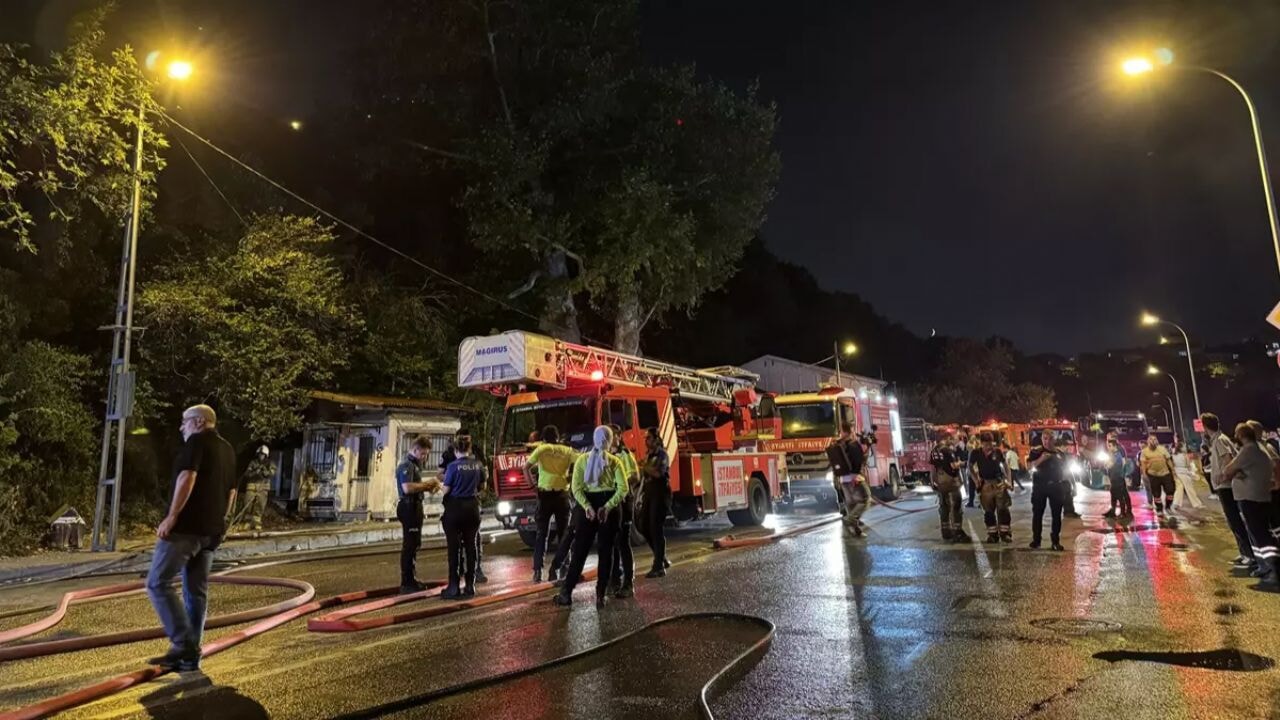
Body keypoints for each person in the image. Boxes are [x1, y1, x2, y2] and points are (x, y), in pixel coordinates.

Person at [146, 404, 236, 672]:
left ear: (198, 422)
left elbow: (187, 476)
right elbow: (232, 491)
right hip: (212, 533)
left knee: (157, 583)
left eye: (184, 422)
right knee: (195, 592)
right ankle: (191, 656)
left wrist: (172, 516)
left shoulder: (196, 443)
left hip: (186, 529)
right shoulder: (228, 450)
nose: (181, 427)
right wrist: (221, 521)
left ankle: (182, 642)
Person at [554, 426, 628, 608]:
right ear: (609, 440)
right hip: (608, 509)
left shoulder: (582, 461)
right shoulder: (615, 462)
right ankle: (601, 595)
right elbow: (623, 489)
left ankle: (566, 593)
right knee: (606, 552)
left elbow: (576, 488)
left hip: (587, 507)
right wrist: (608, 507)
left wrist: (587, 507)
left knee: (579, 552)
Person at [1220, 422, 1278, 589]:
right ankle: (1265, 567)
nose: (1235, 438)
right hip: (1257, 497)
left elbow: (1227, 470)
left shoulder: (1249, 450)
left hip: (1251, 499)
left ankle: (1274, 570)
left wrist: (1235, 473)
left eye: (1237, 435)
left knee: (1262, 537)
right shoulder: (1259, 450)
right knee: (1257, 535)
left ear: (1242, 436)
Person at [523, 425, 577, 583]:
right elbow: (582, 463)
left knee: (541, 534)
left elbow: (525, 467)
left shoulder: (542, 449)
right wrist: (571, 478)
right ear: (558, 437)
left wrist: (532, 486)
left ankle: (538, 571)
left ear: (544, 438)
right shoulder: (567, 450)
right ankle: (564, 566)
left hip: (544, 495)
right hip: (562, 496)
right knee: (564, 534)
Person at [1203, 413, 1255, 572]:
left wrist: (1223, 475)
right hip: (1225, 486)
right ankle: (1244, 552)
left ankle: (1249, 555)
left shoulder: (1219, 441)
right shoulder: (1220, 439)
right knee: (1235, 520)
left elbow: (1228, 459)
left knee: (1235, 521)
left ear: (1205, 427)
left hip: (1226, 487)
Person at [439, 435, 485, 599]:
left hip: (455, 509)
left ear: (456, 450)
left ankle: (453, 587)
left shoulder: (452, 467)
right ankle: (470, 585)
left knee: (454, 548)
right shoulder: (478, 465)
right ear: (470, 449)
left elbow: (445, 490)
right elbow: (482, 486)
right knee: (471, 547)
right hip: (472, 508)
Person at [396, 437, 437, 593]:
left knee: (414, 544)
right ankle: (407, 583)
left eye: (427, 455)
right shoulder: (406, 465)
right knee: (410, 545)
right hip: (409, 506)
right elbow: (407, 488)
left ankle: (410, 579)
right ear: (416, 449)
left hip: (414, 506)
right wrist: (427, 486)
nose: (425, 457)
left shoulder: (414, 465)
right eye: (424, 454)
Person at [609, 425, 640, 599]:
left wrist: (619, 485)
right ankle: (613, 580)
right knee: (611, 543)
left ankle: (628, 583)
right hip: (610, 504)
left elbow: (635, 476)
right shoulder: (606, 456)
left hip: (623, 502)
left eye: (611, 434)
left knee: (623, 543)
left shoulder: (625, 455)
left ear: (619, 436)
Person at [640, 426, 673, 577]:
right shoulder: (648, 454)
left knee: (656, 528)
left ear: (656, 439)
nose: (646, 441)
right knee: (643, 525)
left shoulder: (662, 454)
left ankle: (658, 566)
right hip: (649, 492)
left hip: (660, 492)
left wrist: (645, 467)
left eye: (648, 438)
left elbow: (659, 473)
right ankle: (661, 556)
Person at [1027, 431, 1067, 551]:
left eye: (1050, 439)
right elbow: (1029, 466)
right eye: (1045, 439)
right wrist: (1041, 459)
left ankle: (1055, 541)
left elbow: (1065, 469)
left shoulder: (1059, 453)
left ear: (1054, 439)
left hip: (1056, 487)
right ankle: (1036, 540)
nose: (1047, 441)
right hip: (1040, 487)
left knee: (1056, 515)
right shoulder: (1036, 452)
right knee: (1037, 514)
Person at [826, 423, 868, 537]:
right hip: (854, 478)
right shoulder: (853, 444)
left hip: (843, 480)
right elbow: (859, 461)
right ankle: (849, 520)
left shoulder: (837, 444)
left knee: (851, 504)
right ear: (850, 431)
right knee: (865, 499)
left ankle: (856, 530)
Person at [970, 432, 1012, 543]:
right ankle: (992, 534)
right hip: (985, 485)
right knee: (988, 511)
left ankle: (1005, 533)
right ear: (981, 443)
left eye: (990, 443)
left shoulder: (997, 452)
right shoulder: (976, 453)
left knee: (1003, 509)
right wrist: (976, 480)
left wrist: (1009, 480)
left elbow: (1006, 466)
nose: (989, 446)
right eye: (986, 444)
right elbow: (969, 467)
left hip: (999, 483)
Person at [930, 435, 969, 542]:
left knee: (944, 507)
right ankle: (958, 532)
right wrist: (962, 463)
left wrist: (933, 481)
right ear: (947, 439)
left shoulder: (934, 451)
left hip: (940, 482)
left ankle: (946, 532)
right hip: (951, 482)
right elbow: (953, 465)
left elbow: (933, 468)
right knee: (956, 507)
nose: (954, 441)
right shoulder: (947, 451)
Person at [235, 445, 274, 531]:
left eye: (263, 454)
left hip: (263, 487)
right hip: (252, 486)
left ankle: (257, 524)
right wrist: (255, 472)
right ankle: (247, 522)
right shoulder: (253, 463)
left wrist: (264, 471)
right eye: (260, 454)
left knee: (260, 505)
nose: (261, 456)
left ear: (266, 455)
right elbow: (247, 474)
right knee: (248, 504)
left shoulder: (269, 463)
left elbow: (272, 473)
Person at [1140, 434, 1177, 517]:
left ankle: (1168, 506)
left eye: (1154, 439)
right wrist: (1144, 474)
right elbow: (1143, 464)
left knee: (1170, 491)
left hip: (1165, 473)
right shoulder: (1144, 452)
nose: (1153, 441)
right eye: (1151, 439)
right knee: (1156, 494)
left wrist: (1173, 470)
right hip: (1153, 475)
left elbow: (1168, 460)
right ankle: (1159, 509)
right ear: (1148, 442)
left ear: (1157, 441)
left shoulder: (1162, 449)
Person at [1170, 439, 1205, 511]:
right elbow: (1188, 465)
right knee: (1190, 489)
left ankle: (1176, 504)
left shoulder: (1173, 455)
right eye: (1184, 446)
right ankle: (1197, 504)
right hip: (1184, 473)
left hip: (1177, 473)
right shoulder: (1184, 455)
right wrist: (1192, 472)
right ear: (1181, 448)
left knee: (1179, 488)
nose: (1185, 448)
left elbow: (1172, 464)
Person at [1102, 438, 1132, 519]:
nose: (1108, 447)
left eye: (1110, 446)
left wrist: (1107, 464)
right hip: (1114, 477)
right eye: (1108, 445)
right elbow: (1106, 465)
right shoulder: (1113, 454)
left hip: (1118, 478)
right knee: (1114, 494)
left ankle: (1123, 513)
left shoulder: (1117, 455)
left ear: (1114, 446)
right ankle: (1113, 511)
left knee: (1119, 495)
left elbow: (1109, 465)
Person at [956, 432, 975, 508]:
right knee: (972, 486)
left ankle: (972, 501)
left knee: (972, 485)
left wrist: (962, 463)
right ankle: (971, 501)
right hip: (971, 471)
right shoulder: (971, 452)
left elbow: (970, 463)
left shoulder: (972, 452)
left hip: (972, 472)